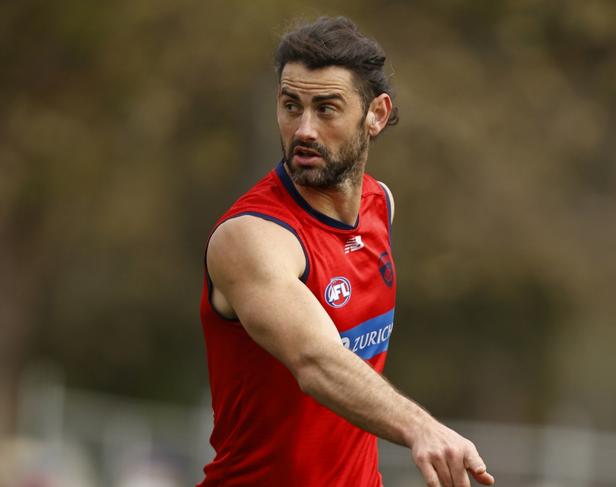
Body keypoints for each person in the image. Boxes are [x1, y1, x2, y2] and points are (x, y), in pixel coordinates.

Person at [198, 16, 495, 487]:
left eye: (327, 108)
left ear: (376, 114)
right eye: (291, 106)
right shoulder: (252, 237)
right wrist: (421, 428)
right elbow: (316, 360)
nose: (304, 129)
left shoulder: (381, 205)